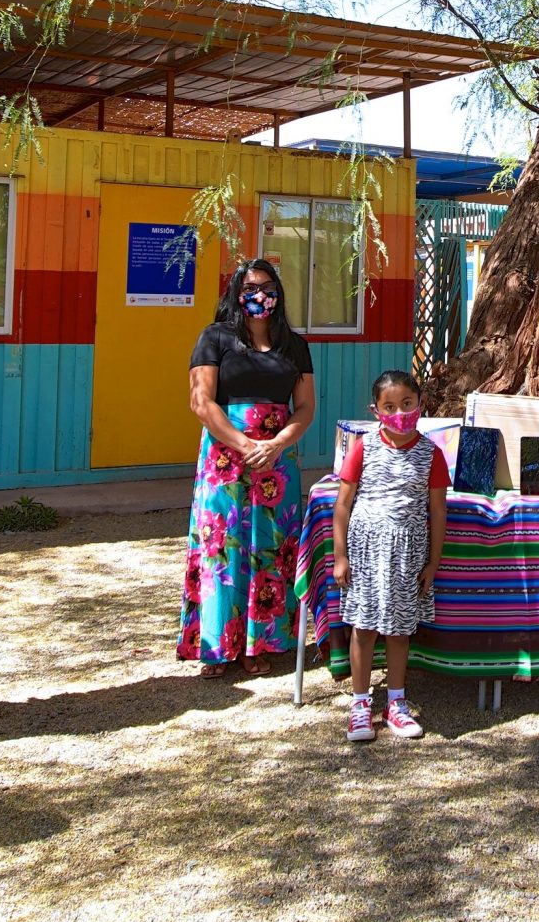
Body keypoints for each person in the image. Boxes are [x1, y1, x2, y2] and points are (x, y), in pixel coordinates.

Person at [182, 258, 318, 676]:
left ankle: (263, 644)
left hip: (278, 458)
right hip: (226, 457)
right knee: (221, 547)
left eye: (268, 286)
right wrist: (243, 443)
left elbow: (306, 406)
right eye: (250, 287)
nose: (261, 295)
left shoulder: (294, 345)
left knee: (270, 546)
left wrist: (276, 443)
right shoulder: (215, 338)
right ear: (235, 294)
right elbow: (201, 401)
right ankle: (216, 647)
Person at [330, 370, 448, 742]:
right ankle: (360, 704)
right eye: (390, 407)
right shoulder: (363, 447)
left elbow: (438, 512)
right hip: (365, 553)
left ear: (420, 403)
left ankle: (396, 703)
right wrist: (340, 556)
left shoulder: (432, 454)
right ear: (376, 410)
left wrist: (433, 562)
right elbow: (342, 506)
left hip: (407, 555)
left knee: (399, 630)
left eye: (407, 404)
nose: (400, 413)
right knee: (363, 628)